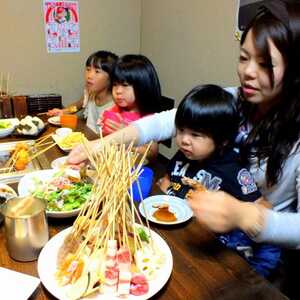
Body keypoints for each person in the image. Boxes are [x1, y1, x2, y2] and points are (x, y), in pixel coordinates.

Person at [68, 1, 300, 248]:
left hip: (257, 256)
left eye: (265, 64)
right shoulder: (232, 99)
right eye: (244, 58)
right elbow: (161, 123)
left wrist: (245, 215)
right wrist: (100, 145)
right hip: (203, 234)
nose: (248, 72)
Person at [157, 84, 280, 277]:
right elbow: (168, 179)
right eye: (181, 131)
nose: (184, 140)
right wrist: (164, 190)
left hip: (213, 249)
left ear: (222, 140)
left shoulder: (234, 170)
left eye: (195, 135)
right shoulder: (184, 155)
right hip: (179, 232)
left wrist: (237, 214)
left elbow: (264, 207)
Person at [97, 54, 163, 159]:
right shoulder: (116, 110)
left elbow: (152, 154)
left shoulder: (148, 119)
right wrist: (103, 128)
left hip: (134, 170)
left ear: (142, 86)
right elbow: (108, 141)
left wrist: (127, 135)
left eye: (125, 85)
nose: (118, 91)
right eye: (115, 84)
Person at [48, 50, 118, 134]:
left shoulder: (116, 105)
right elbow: (79, 105)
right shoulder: (90, 92)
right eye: (88, 69)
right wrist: (64, 111)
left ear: (111, 77)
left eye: (97, 71)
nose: (89, 75)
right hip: (87, 139)